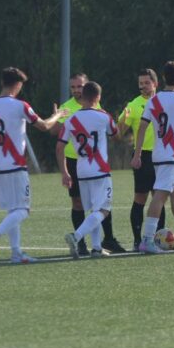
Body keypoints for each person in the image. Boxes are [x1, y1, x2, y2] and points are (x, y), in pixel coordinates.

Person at [0, 67, 63, 264]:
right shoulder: (20, 106)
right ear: (17, 85)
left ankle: (16, 253)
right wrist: (58, 115)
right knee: (23, 210)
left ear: (2, 82)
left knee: (13, 209)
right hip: (16, 165)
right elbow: (43, 126)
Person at [130, 61, 174, 254]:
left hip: (159, 155)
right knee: (159, 197)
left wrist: (137, 154)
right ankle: (147, 240)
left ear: (162, 78)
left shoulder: (153, 101)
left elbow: (142, 127)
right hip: (172, 156)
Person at [58, 72, 126, 255]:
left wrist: (64, 172)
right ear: (98, 97)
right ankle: (76, 236)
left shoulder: (71, 120)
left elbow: (59, 147)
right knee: (103, 209)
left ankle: (96, 248)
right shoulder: (104, 116)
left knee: (93, 211)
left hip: (81, 171)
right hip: (100, 170)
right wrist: (122, 122)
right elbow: (116, 136)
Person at [116, 68, 165, 251]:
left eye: (146, 83)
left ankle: (159, 238)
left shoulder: (163, 101)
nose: (143, 87)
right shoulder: (134, 105)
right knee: (141, 198)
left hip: (163, 155)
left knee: (159, 197)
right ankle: (138, 240)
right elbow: (118, 134)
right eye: (140, 83)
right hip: (143, 156)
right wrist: (122, 120)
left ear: (155, 83)